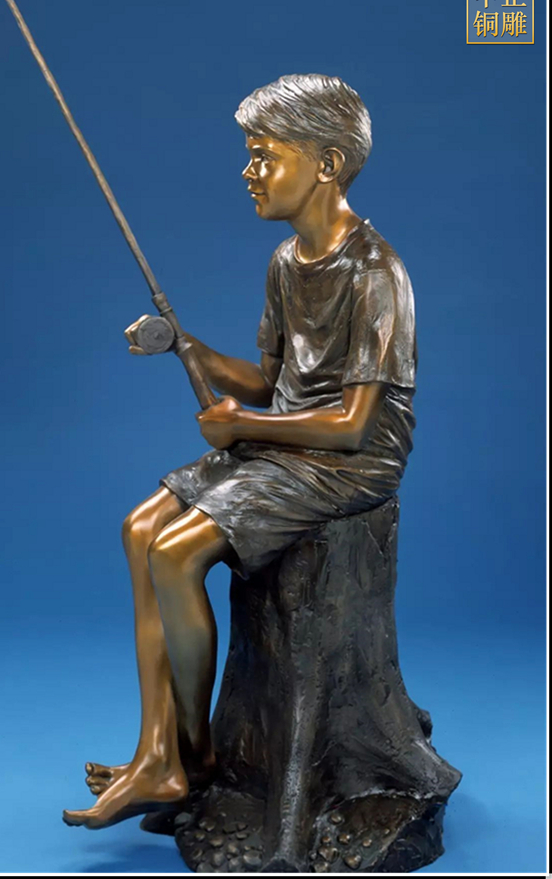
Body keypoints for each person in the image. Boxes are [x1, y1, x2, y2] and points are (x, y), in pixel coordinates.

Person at [63, 73, 417, 830]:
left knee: (175, 553)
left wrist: (244, 428)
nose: (248, 171)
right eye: (250, 155)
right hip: (291, 444)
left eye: (265, 156)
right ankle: (157, 749)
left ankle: (191, 755)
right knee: (139, 528)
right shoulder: (286, 262)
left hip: (349, 462)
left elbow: (354, 423)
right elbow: (269, 382)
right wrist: (184, 346)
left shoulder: (375, 272)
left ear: (326, 164)